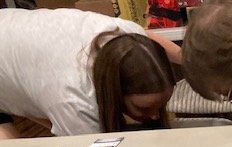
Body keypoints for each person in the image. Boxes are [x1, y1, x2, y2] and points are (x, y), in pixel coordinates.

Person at [0, 8, 181, 139]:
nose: (156, 116)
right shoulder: (75, 98)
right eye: (144, 108)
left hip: (19, 49)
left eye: (161, 104)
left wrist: (187, 58)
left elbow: (148, 36)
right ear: (114, 91)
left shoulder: (129, 34)